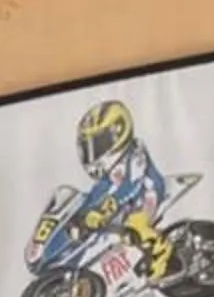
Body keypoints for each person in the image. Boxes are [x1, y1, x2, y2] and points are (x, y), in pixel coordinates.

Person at [72, 97, 174, 282]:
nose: (92, 152)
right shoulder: (111, 166)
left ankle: (161, 249)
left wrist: (105, 210)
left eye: (98, 143)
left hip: (147, 192)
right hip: (127, 199)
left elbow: (130, 186)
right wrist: (83, 213)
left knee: (134, 224)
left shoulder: (135, 153)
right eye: (88, 146)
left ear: (119, 131)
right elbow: (101, 189)